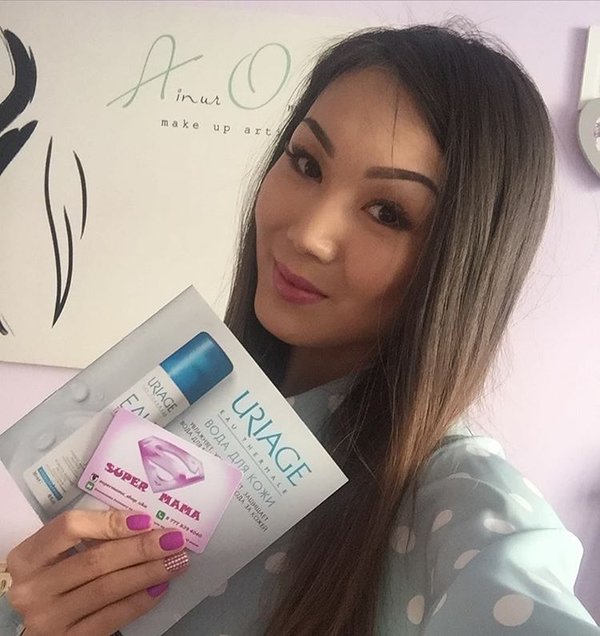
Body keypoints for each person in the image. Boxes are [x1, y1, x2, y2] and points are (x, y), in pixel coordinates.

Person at [1, 22, 599, 636]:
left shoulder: (456, 506)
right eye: (307, 163)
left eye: (387, 212)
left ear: (459, 264)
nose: (309, 233)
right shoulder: (176, 398)